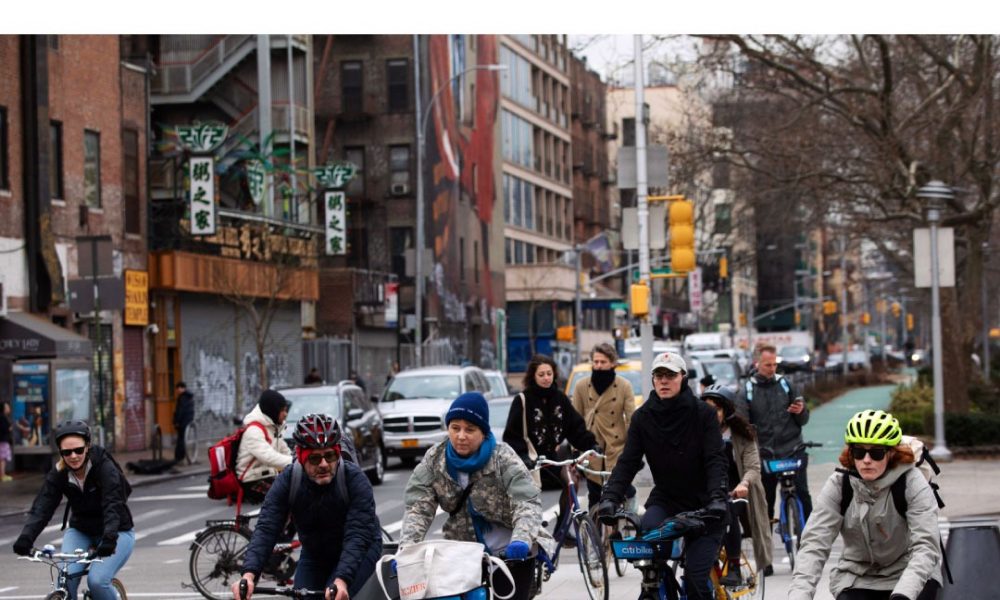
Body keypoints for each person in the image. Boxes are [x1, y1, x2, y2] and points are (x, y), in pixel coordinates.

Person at [597, 352, 728, 600]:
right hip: (666, 499)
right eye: (659, 375)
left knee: (695, 578)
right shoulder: (643, 417)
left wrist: (718, 498)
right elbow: (628, 462)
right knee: (650, 562)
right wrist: (610, 497)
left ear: (683, 378)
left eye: (670, 375)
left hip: (706, 505)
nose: (664, 381)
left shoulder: (704, 414)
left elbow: (715, 460)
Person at [400, 392, 555, 600]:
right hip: (464, 550)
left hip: (511, 548)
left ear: (483, 432)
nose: (461, 436)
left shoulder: (502, 457)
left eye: (470, 430)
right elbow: (418, 507)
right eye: (455, 428)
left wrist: (521, 540)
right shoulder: (435, 459)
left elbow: (526, 501)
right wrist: (406, 551)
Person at [790, 410, 942, 600]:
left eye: (876, 453)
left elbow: (926, 547)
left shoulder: (912, 483)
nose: (866, 460)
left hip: (910, 571)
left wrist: (903, 595)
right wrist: (799, 594)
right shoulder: (840, 483)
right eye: (859, 452)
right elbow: (814, 543)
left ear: (891, 453)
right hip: (858, 576)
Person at [235, 414, 381, 600]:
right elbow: (267, 527)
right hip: (316, 553)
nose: (324, 464)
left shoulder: (354, 479)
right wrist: (249, 574)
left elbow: (358, 535)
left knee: (336, 595)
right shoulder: (289, 480)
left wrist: (342, 580)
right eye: (314, 459)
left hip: (360, 548)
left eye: (330, 456)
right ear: (302, 458)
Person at [13, 420, 135, 600]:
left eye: (78, 450)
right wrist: (26, 537)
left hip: (117, 532)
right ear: (61, 453)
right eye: (66, 452)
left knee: (97, 581)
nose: (73, 456)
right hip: (81, 530)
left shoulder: (104, 467)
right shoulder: (59, 473)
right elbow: (42, 507)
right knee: (65, 578)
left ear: (87, 446)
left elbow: (113, 504)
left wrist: (109, 538)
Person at [503, 354, 599, 541]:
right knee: (529, 498)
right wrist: (523, 456)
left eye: (549, 373)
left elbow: (575, 427)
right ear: (533, 376)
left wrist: (591, 444)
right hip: (530, 460)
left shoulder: (560, 399)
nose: (546, 378)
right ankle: (533, 531)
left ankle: (562, 529)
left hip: (552, 459)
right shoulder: (523, 400)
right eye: (542, 374)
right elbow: (511, 435)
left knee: (572, 480)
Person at [701, 384, 773, 582]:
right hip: (709, 490)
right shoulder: (698, 433)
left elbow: (753, 467)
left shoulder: (742, 434)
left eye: (716, 409)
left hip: (738, 490)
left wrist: (744, 484)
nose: (712, 413)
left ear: (726, 411)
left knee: (729, 513)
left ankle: (733, 565)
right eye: (707, 409)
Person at [737, 343, 812, 522]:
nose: (772, 369)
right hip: (765, 455)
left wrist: (800, 411)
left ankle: (809, 536)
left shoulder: (786, 385)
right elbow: (742, 426)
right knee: (766, 502)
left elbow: (804, 420)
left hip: (792, 449)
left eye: (775, 364)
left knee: (803, 493)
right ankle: (767, 541)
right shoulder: (746, 391)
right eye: (767, 365)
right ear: (757, 364)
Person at [570, 343, 636, 507]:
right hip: (592, 447)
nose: (598, 366)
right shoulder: (581, 386)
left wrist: (633, 448)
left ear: (613, 363)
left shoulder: (624, 386)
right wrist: (576, 449)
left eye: (603, 362)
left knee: (622, 490)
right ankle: (595, 531)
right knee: (594, 495)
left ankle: (625, 523)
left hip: (617, 446)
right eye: (596, 362)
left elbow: (631, 419)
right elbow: (574, 419)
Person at [235, 389, 294, 504]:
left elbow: (284, 449)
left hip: (268, 475)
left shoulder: (272, 427)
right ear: (273, 410)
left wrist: (298, 459)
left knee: (298, 489)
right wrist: (297, 461)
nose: (285, 414)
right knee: (286, 497)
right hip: (251, 481)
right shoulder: (254, 430)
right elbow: (268, 457)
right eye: (283, 410)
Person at [173, 381, 195, 463]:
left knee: (181, 440)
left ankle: (179, 457)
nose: (177, 391)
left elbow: (180, 411)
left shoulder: (183, 398)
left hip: (183, 421)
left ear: (182, 388)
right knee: (183, 439)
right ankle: (181, 457)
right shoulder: (189, 396)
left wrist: (176, 421)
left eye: (178, 389)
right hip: (188, 420)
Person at [0, 401, 13, 481]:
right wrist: (9, 428)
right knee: (3, 458)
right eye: (7, 407)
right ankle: (2, 475)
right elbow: (4, 429)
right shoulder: (2, 418)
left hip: (2, 440)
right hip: (3, 440)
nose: (9, 409)